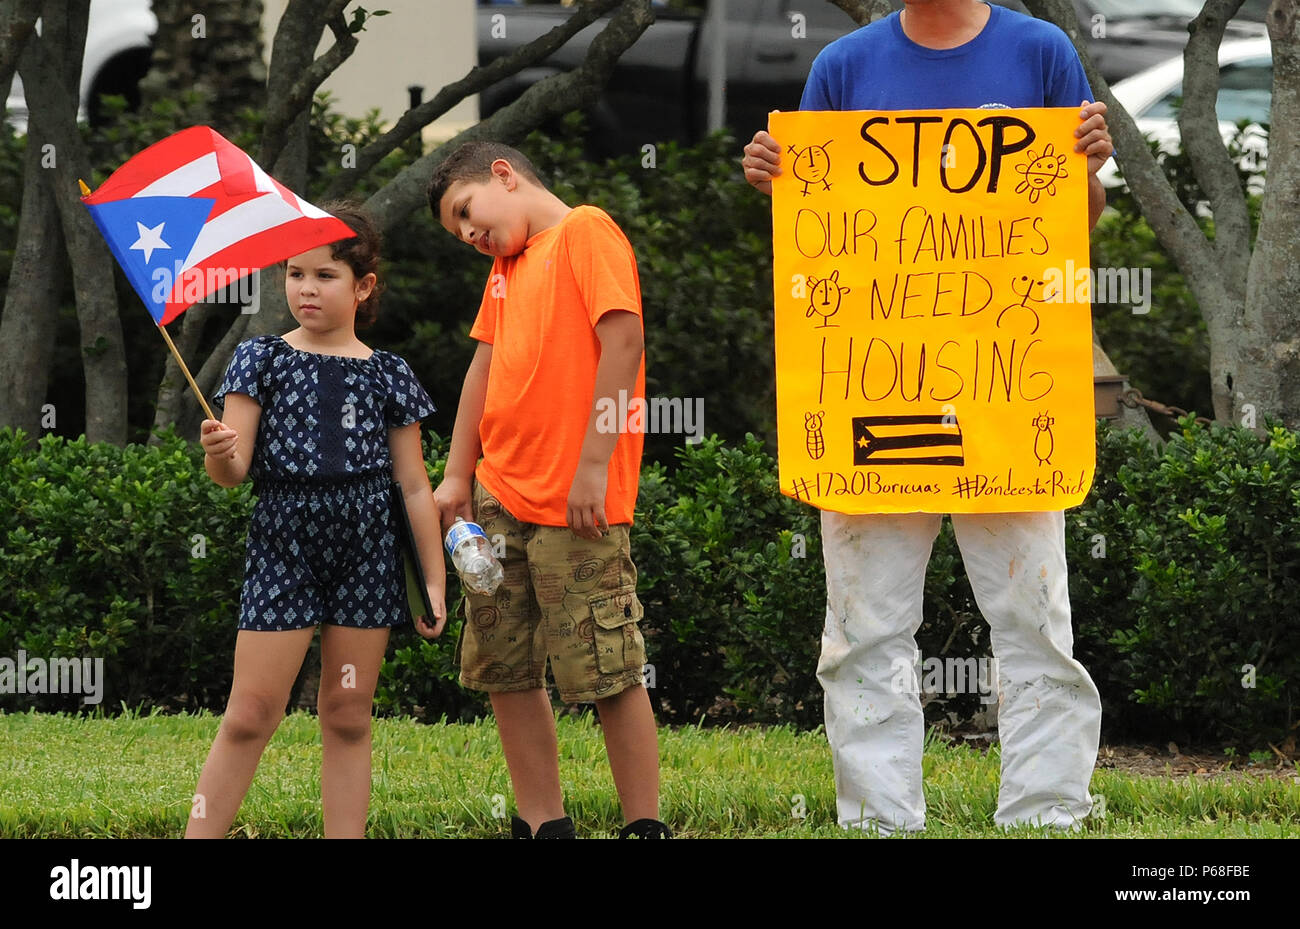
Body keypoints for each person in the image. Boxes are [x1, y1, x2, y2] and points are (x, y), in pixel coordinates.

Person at [742, 0, 1114, 833]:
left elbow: (1074, 222)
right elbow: (817, 229)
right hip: (873, 398)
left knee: (1035, 622)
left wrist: (1085, 166)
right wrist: (775, 175)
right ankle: (879, 820)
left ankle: (1047, 815)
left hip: (1009, 392)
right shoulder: (842, 66)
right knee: (865, 629)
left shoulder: (1042, 51)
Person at [428, 140, 669, 839]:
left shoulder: (585, 231)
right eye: (457, 232)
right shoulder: (505, 270)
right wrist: (456, 471)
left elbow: (623, 340)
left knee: (607, 665)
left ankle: (643, 825)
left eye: (466, 212)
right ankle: (543, 823)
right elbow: (483, 369)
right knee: (504, 662)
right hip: (500, 495)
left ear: (504, 175)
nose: (469, 235)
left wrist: (595, 463)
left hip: (576, 499)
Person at [188, 202, 446, 839]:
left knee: (349, 711)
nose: (305, 288)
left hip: (366, 555)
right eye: (294, 272)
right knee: (250, 711)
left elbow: (414, 486)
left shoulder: (390, 374)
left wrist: (434, 581)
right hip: (284, 547)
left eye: (324, 275)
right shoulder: (261, 361)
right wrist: (217, 454)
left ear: (363, 287)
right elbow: (234, 471)